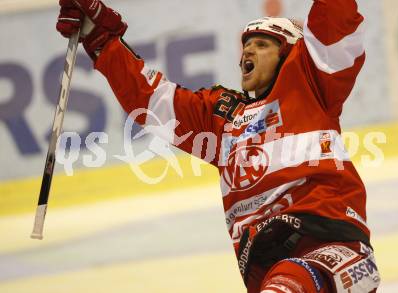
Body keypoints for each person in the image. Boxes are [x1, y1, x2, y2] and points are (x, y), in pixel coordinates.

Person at [56, 0, 381, 292]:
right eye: (246, 45)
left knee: (289, 280)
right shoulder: (222, 120)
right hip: (266, 268)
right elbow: (151, 101)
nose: (248, 52)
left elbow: (334, 22)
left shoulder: (309, 85)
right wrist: (101, 39)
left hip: (335, 252)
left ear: (289, 54)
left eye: (263, 44)